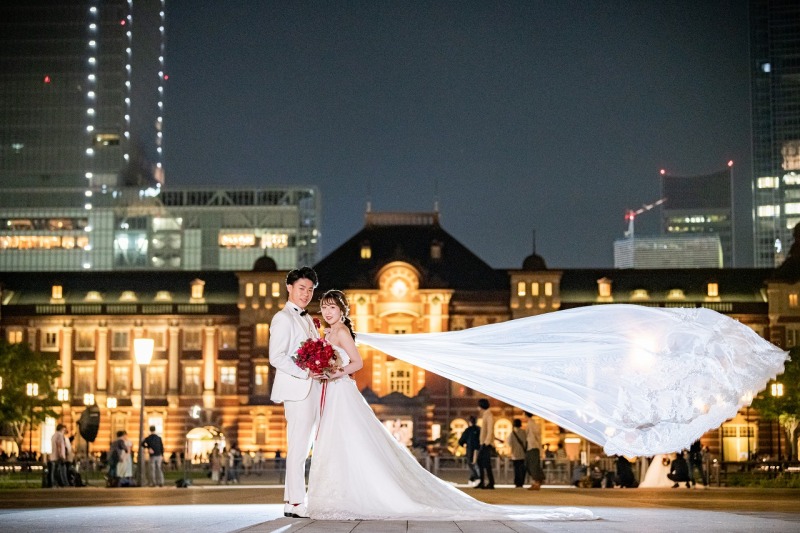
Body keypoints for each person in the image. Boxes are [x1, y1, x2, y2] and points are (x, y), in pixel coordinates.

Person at [306, 290, 592, 521]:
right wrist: (321, 369)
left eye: (333, 307)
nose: (328, 311)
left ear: (342, 311)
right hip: (331, 392)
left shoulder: (341, 331)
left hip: (341, 389)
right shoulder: (326, 333)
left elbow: (357, 363)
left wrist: (333, 372)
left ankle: (355, 492)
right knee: (335, 441)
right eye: (325, 307)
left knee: (349, 439)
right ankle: (336, 493)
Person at [269, 266, 322, 519]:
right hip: (298, 390)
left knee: (304, 448)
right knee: (299, 448)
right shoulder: (283, 318)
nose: (306, 294)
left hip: (312, 389)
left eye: (310, 290)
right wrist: (305, 373)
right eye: (301, 288)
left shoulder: (308, 319)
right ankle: (296, 502)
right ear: (289, 288)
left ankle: (292, 502)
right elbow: (276, 357)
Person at [475, 398, 496, 490]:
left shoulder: (489, 415)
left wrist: (486, 442)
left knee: (483, 462)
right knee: (483, 462)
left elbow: (490, 430)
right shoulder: (486, 414)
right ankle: (484, 482)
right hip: (483, 443)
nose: (478, 407)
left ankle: (489, 482)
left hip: (486, 443)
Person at [457, 416, 480, 484]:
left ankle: (476, 477)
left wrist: (462, 444)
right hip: (478, 448)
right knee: (476, 463)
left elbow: (461, 440)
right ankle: (472, 478)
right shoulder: (478, 429)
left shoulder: (468, 430)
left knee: (470, 463)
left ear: (470, 422)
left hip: (470, 448)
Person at [524, 412, 544, 490]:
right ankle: (537, 481)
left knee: (533, 466)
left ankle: (537, 482)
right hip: (531, 447)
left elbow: (537, 436)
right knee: (530, 465)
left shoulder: (532, 423)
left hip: (533, 447)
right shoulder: (530, 423)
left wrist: (539, 447)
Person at [509, 418, 527, 488]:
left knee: (516, 470)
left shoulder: (512, 433)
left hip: (515, 455)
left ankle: (517, 483)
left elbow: (510, 444)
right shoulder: (524, 432)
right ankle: (521, 482)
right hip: (522, 454)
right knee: (522, 469)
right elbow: (526, 442)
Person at [49, 423, 68, 487]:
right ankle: (60, 483)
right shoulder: (60, 435)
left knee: (53, 470)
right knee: (59, 471)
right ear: (62, 429)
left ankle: (53, 483)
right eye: (64, 429)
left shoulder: (54, 435)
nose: (65, 431)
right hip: (58, 456)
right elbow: (59, 445)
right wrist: (61, 455)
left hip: (53, 456)